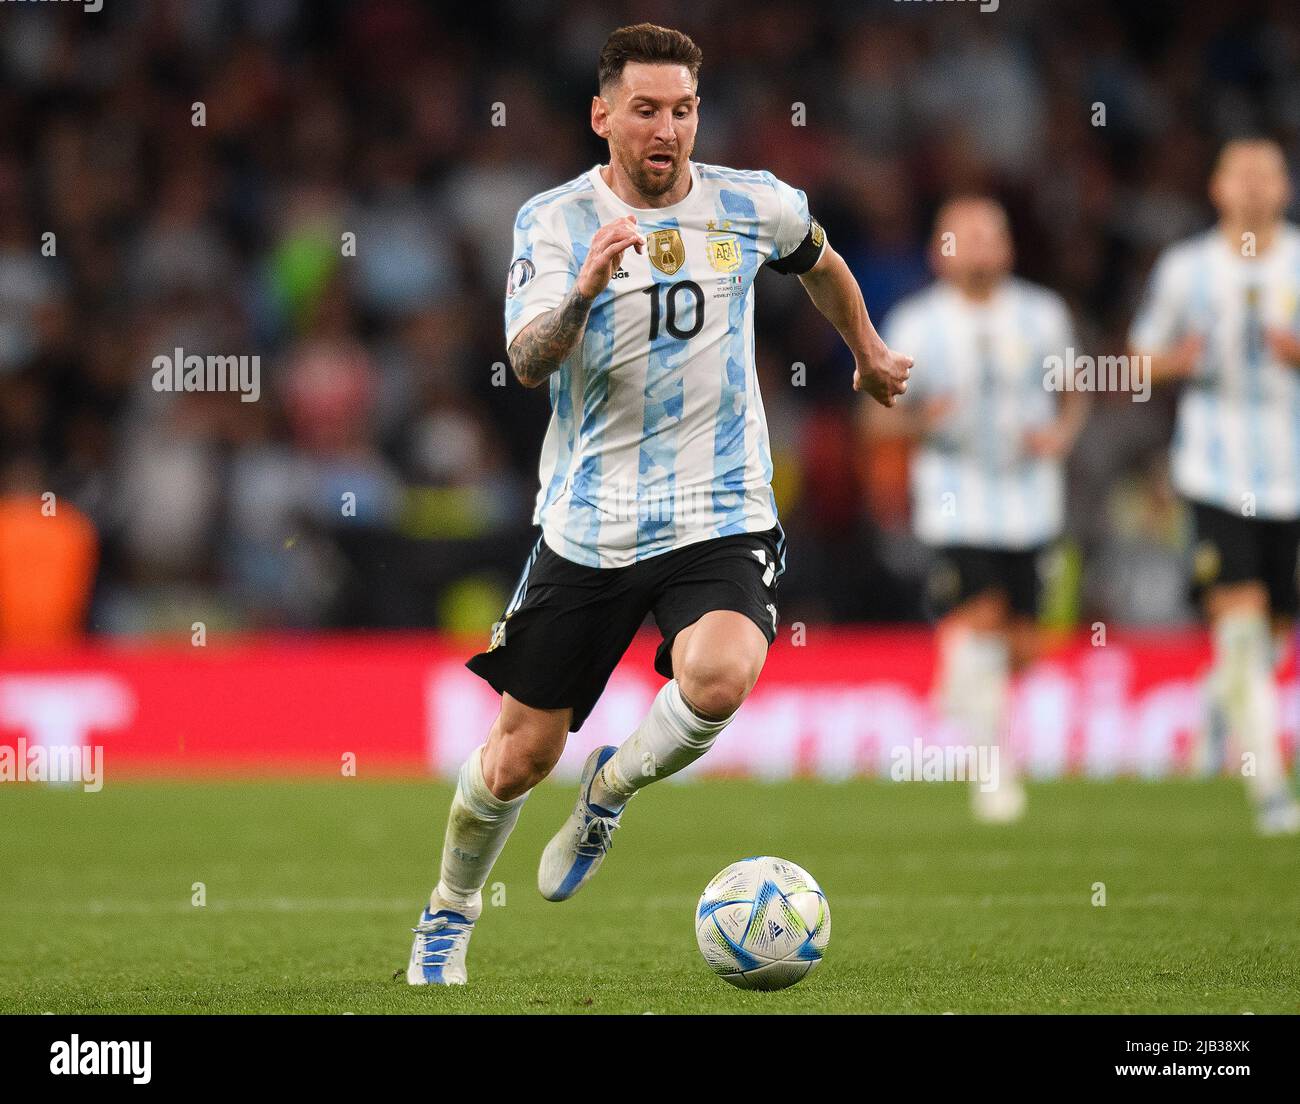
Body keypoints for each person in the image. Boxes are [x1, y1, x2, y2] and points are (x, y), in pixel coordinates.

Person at [406, 22, 912, 985]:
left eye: (681, 109)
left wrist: (869, 350)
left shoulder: (750, 203)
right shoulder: (553, 222)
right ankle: (450, 912)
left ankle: (612, 789)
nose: (666, 128)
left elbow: (821, 260)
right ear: (602, 116)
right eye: (645, 109)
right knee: (516, 759)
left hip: (720, 509)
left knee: (721, 677)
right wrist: (584, 292)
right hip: (592, 522)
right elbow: (524, 362)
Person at [870, 197, 1087, 823]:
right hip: (955, 502)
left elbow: (1074, 394)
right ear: (941, 249)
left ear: (1010, 245)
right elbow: (875, 418)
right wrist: (915, 419)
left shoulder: (1043, 314)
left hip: (1033, 503)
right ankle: (995, 775)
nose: (979, 245)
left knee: (1027, 645)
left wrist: (1062, 435)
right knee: (983, 619)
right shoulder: (916, 323)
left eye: (991, 233)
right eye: (963, 235)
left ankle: (960, 679)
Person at [1129, 137, 1300, 836]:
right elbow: (1138, 362)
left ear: (1285, 187)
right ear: (1218, 187)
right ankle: (1271, 792)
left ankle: (1217, 700)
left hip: (1291, 474)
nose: (1256, 186)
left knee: (1274, 640)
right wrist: (1175, 362)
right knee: (1241, 626)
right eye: (1243, 173)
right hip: (1212, 471)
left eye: (1269, 173)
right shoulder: (1186, 268)